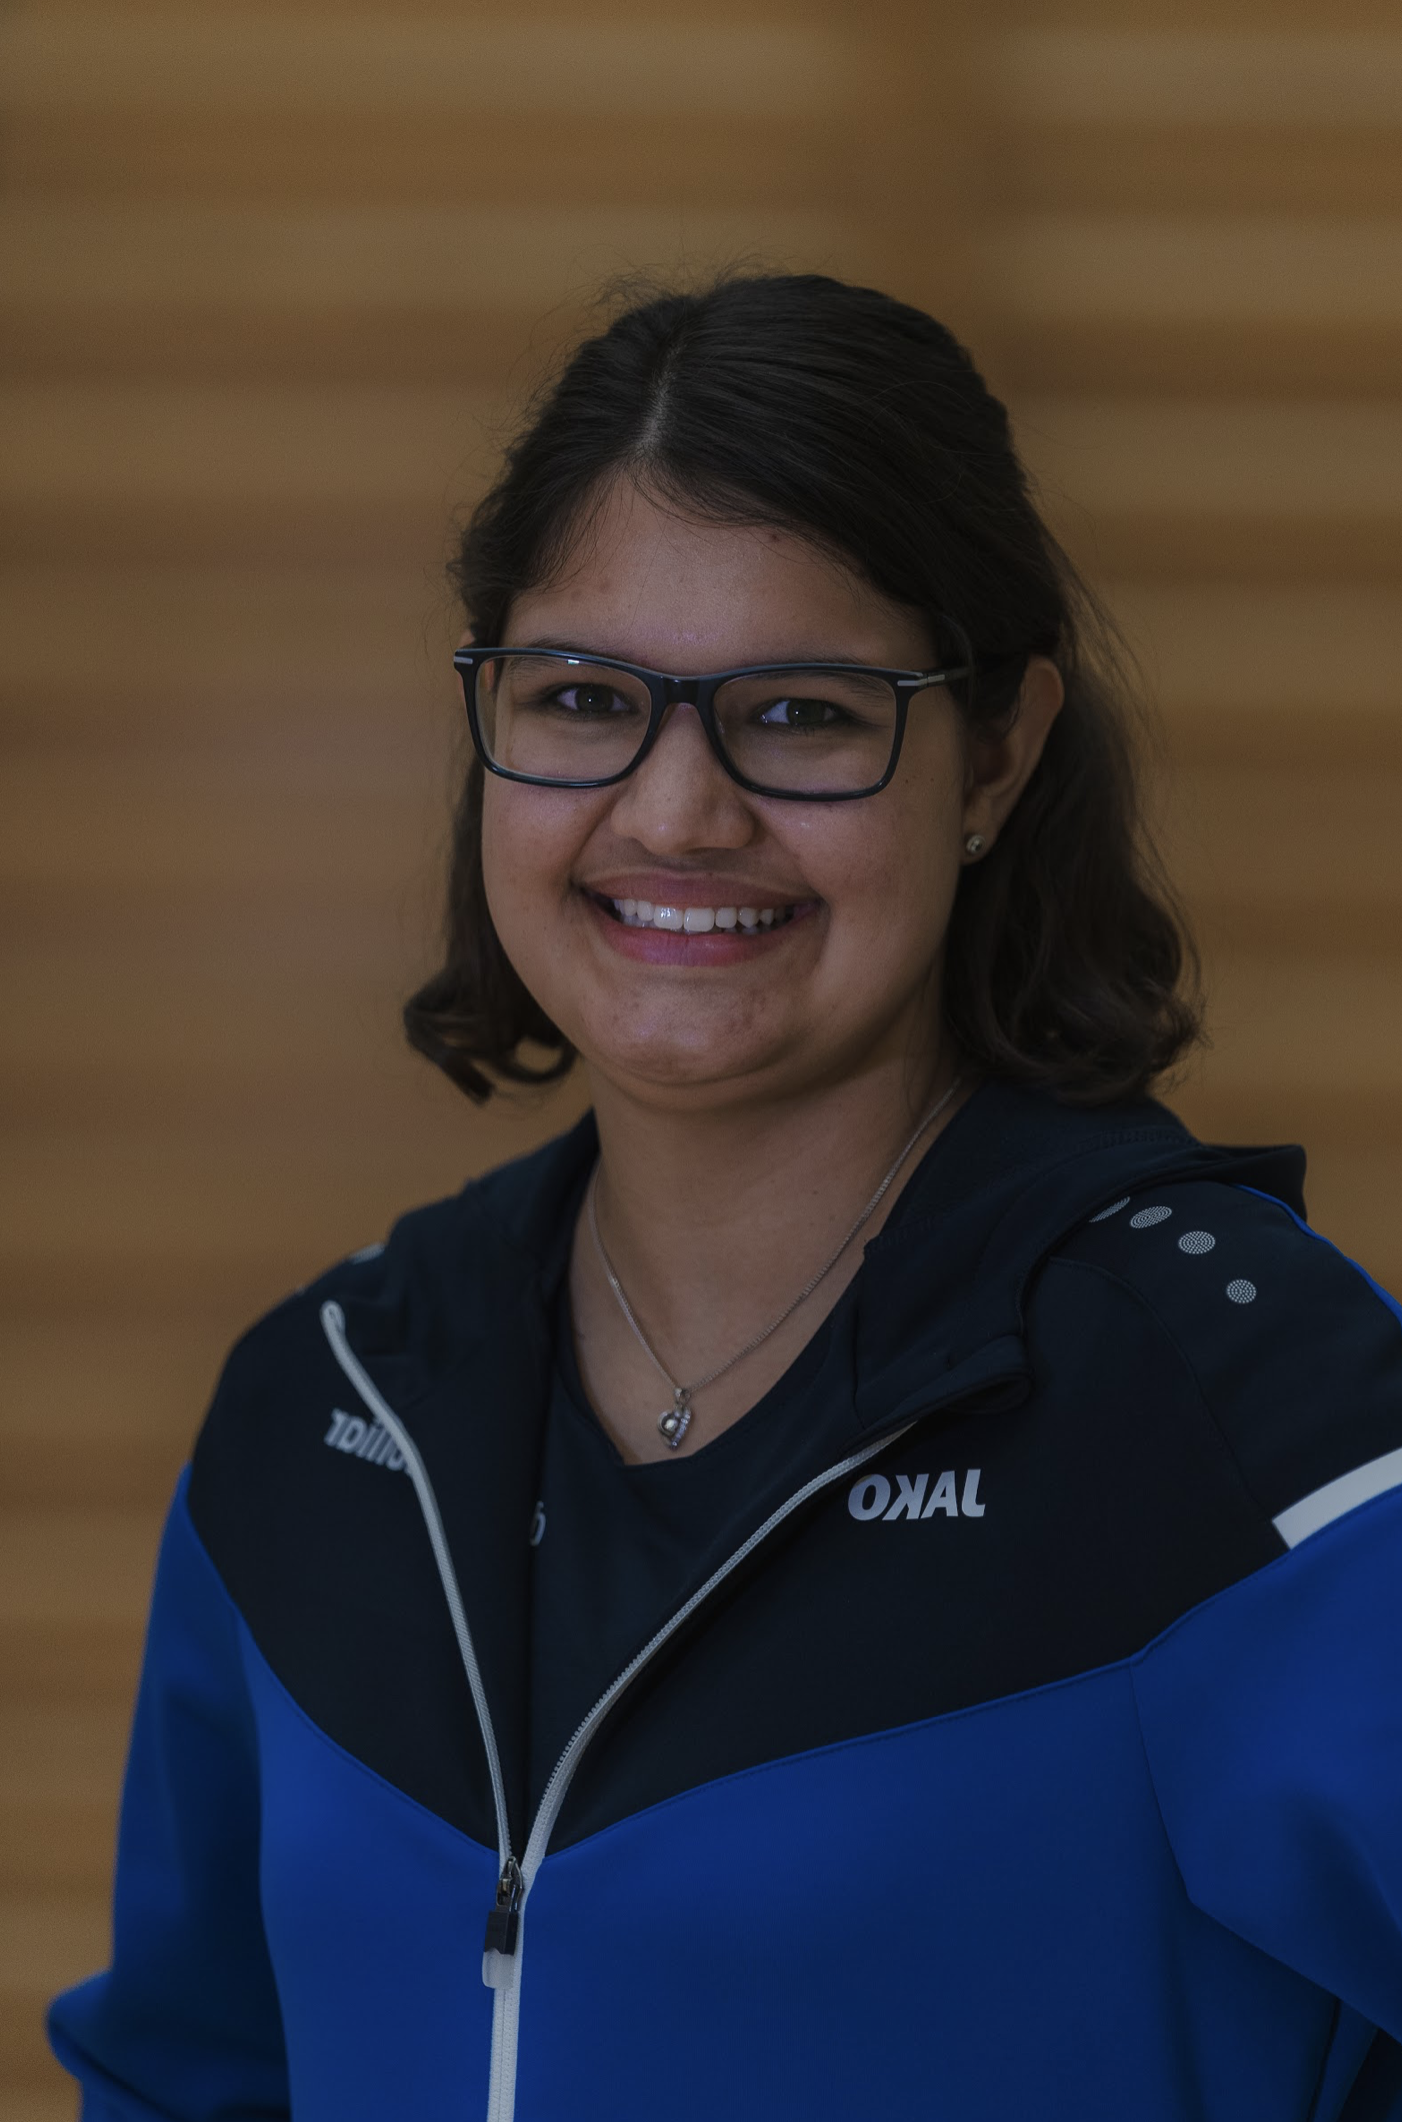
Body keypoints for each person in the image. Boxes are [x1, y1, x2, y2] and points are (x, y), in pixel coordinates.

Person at [49, 274, 1402, 2122]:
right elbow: (182, 2081)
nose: (676, 811)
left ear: (996, 751)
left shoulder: (1253, 1422)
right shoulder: (326, 1404)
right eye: (582, 697)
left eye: (802, 712)